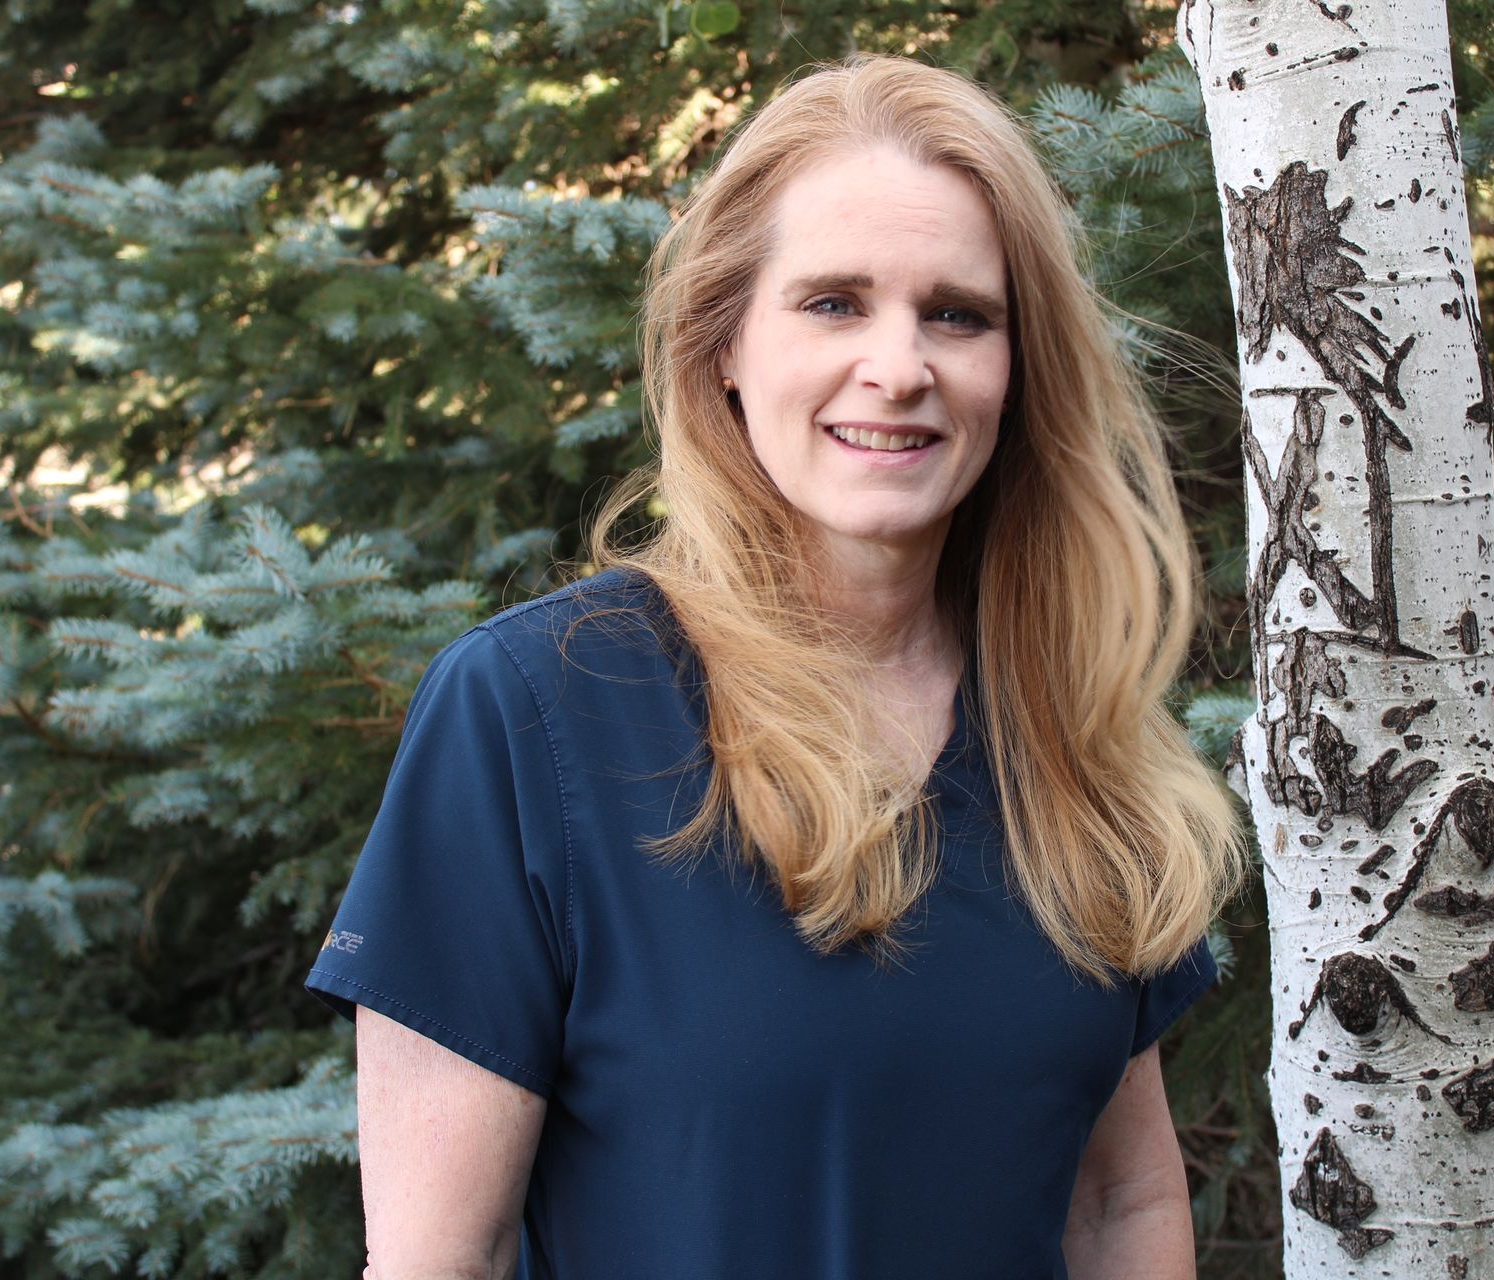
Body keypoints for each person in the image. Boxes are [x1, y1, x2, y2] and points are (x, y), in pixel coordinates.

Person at [307, 53, 1245, 1280]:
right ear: (726, 348)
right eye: (834, 302)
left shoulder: (1070, 728)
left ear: (1016, 375)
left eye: (957, 313)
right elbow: (444, 1257)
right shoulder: (535, 715)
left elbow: (1118, 1205)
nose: (900, 366)